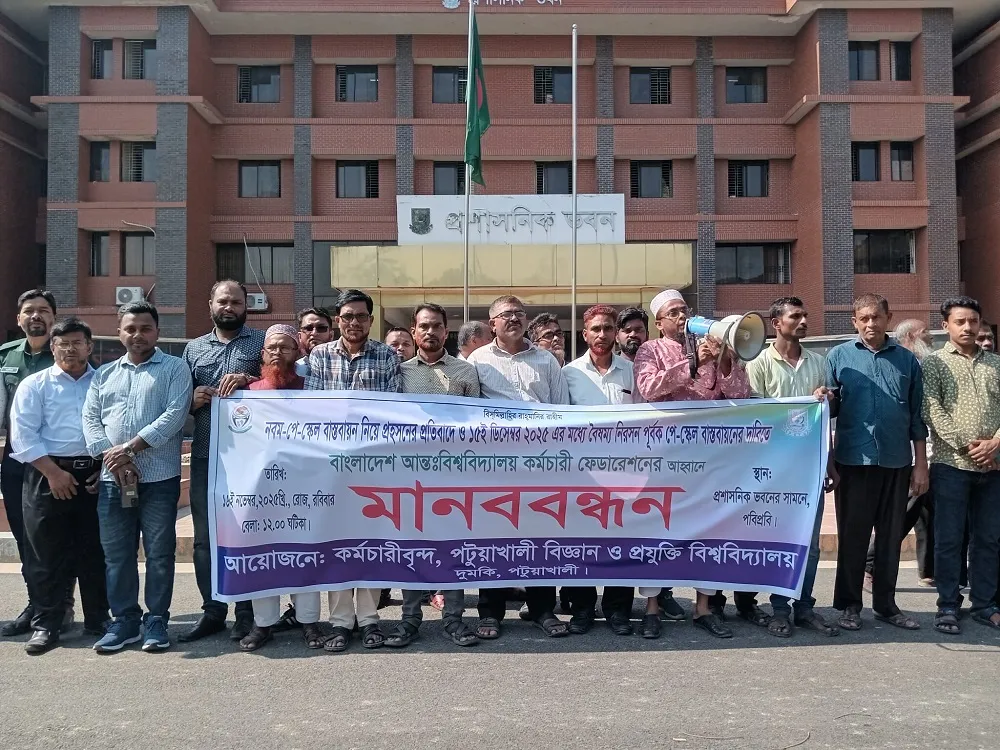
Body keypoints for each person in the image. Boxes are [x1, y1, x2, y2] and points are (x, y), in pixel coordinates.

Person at [633, 289, 753, 639]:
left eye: (685, 309)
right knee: (657, 531)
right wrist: (693, 365)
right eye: (674, 312)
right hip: (663, 458)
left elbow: (739, 396)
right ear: (659, 323)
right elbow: (649, 388)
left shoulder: (711, 346)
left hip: (707, 460)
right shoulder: (650, 350)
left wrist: (725, 359)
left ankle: (703, 608)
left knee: (707, 531)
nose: (682, 316)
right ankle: (652, 608)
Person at [82, 303, 192, 653]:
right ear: (120, 332)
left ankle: (157, 619)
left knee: (160, 553)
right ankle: (125, 620)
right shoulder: (104, 374)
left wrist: (128, 449)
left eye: (145, 328)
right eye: (130, 328)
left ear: (156, 332)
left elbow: (174, 416)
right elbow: (90, 420)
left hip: (159, 479)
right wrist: (111, 458)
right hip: (114, 480)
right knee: (117, 555)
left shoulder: (175, 369)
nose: (137, 335)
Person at [468, 295, 570, 640]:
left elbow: (563, 412)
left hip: (541, 466)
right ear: (491, 322)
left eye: (519, 314)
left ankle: (543, 609)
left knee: (542, 535)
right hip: (493, 467)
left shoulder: (546, 361)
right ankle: (491, 612)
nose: (513, 319)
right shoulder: (477, 360)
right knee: (493, 539)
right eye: (506, 315)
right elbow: (466, 413)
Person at [826, 294, 928, 632]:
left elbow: (916, 417)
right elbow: (827, 413)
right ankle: (850, 605)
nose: (871, 324)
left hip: (897, 462)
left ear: (888, 318)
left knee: (889, 538)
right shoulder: (839, 357)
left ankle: (886, 604)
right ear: (854, 320)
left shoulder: (907, 361)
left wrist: (920, 465)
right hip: (853, 462)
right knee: (853, 537)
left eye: (877, 317)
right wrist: (823, 399)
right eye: (864, 318)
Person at [306, 289, 401, 652]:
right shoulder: (319, 356)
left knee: (370, 543)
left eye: (361, 316)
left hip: (373, 466)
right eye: (347, 316)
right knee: (338, 545)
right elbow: (311, 410)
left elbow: (394, 412)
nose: (354, 323)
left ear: (371, 320)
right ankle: (341, 621)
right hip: (330, 466)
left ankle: (371, 620)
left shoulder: (386, 357)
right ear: (338, 320)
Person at [9, 318, 109, 654]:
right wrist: (53, 472)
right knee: (45, 555)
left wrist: (103, 468)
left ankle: (99, 620)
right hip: (46, 475)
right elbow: (23, 436)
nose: (69, 348)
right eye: (62, 343)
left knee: (95, 552)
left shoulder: (105, 381)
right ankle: (47, 624)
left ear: (89, 346)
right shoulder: (35, 385)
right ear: (52, 347)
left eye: (77, 342)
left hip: (94, 475)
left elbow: (116, 426)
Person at [385, 303, 481, 649]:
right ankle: (410, 619)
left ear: (446, 331)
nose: (429, 332)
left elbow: (478, 425)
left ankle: (454, 619)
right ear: (413, 331)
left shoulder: (465, 372)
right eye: (423, 326)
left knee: (453, 548)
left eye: (436, 326)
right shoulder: (399, 373)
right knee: (412, 549)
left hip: (455, 476)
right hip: (410, 477)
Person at [744, 297, 839, 639]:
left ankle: (804, 607)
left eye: (804, 315)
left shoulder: (818, 363)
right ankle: (779, 609)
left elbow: (824, 422)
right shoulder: (758, 362)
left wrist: (829, 462)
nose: (802, 322)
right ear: (776, 323)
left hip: (810, 468)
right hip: (772, 469)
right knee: (777, 539)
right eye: (794, 316)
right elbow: (754, 416)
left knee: (809, 544)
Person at [179, 280, 265, 643]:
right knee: (205, 539)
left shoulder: (261, 343)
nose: (229, 307)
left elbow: (280, 384)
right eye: (223, 301)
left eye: (236, 301)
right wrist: (193, 400)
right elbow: (178, 406)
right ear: (210, 303)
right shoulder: (192, 349)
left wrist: (250, 379)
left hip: (249, 459)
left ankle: (245, 612)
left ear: (247, 306)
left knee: (245, 535)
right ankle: (213, 610)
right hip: (204, 455)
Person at [239, 324, 326, 652]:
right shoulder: (246, 392)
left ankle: (308, 621)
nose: (277, 353)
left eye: (285, 347)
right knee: (265, 556)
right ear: (262, 354)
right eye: (271, 348)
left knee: (304, 554)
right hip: (260, 492)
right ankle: (263, 625)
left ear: (298, 352)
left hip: (304, 488)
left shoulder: (311, 389)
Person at [921, 297, 1000, 635]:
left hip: (994, 467)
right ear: (946, 326)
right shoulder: (934, 364)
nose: (968, 327)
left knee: (989, 539)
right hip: (951, 464)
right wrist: (969, 446)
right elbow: (931, 409)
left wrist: (996, 444)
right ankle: (948, 605)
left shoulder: (995, 364)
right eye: (960, 322)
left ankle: (984, 604)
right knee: (949, 538)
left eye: (973, 321)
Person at [564, 304, 641, 636]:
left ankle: (618, 610)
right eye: (596, 329)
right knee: (583, 542)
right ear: (585, 333)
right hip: (582, 473)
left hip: (626, 470)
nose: (602, 335)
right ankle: (582, 609)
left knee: (620, 542)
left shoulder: (633, 371)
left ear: (616, 333)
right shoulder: (569, 373)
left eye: (608, 328)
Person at [0, 289, 67, 637]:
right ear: (19, 319)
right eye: (29, 311)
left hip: (58, 464)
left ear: (54, 317)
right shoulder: (5, 357)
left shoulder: (67, 354)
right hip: (16, 463)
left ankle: (62, 606)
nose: (36, 316)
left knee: (60, 537)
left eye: (43, 311)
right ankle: (37, 604)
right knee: (26, 539)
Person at [864, 319, 936, 589]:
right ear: (909, 338)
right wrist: (920, 459)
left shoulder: (924, 363)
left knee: (927, 512)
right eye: (925, 332)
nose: (930, 336)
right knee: (906, 511)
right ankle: (868, 564)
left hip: (928, 451)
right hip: (908, 452)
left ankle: (929, 569)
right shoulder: (900, 362)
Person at [294, 307, 335, 378]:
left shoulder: (343, 367)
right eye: (308, 328)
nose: (314, 333)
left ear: (331, 335)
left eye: (321, 328)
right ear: (300, 337)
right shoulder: (293, 370)